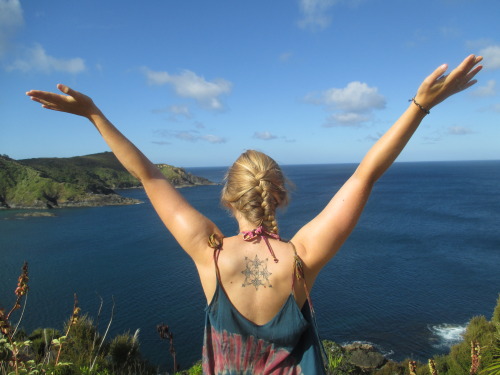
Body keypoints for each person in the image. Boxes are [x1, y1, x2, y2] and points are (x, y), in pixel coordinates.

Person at [27, 54, 483, 374]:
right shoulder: (302, 257)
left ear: (227, 197)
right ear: (280, 195)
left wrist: (94, 115)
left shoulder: (210, 253)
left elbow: (149, 176)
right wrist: (421, 106)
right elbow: (365, 175)